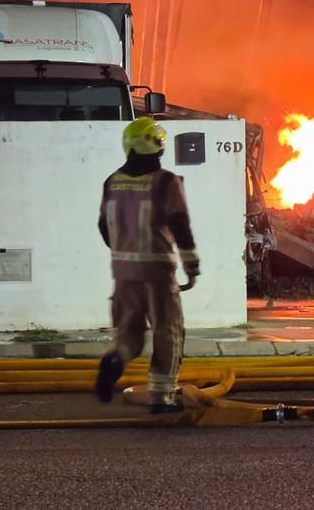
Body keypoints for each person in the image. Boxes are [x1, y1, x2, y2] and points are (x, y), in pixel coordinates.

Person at [94, 117, 200, 413]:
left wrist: (123, 253)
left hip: (123, 273)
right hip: (158, 273)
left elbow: (103, 226)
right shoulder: (166, 182)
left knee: (128, 334)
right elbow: (181, 226)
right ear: (157, 145)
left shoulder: (111, 181)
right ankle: (161, 397)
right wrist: (192, 268)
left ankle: (114, 359)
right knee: (169, 332)